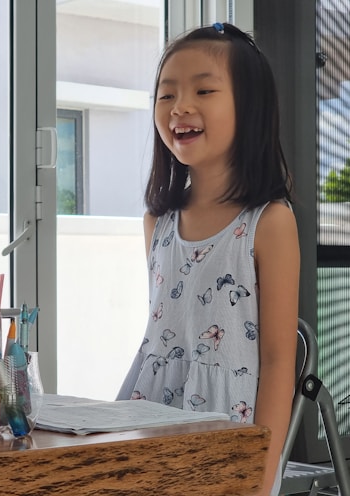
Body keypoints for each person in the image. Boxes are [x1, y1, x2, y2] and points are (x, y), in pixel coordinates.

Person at [116, 22, 300, 495]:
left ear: (250, 108)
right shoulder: (156, 222)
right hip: (148, 419)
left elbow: (280, 361)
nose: (180, 107)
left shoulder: (269, 222)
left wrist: (263, 469)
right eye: (166, 94)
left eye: (204, 90)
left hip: (228, 436)